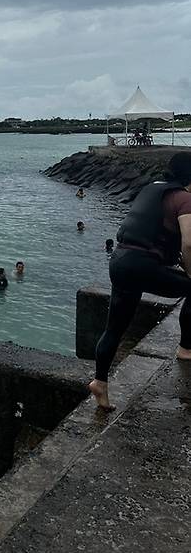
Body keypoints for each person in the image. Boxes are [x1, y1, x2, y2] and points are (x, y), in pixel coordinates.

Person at [89, 152, 191, 410]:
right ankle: (186, 348)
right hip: (142, 265)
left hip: (120, 262)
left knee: (114, 329)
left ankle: (99, 383)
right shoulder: (184, 199)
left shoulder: (151, 189)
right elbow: (189, 243)